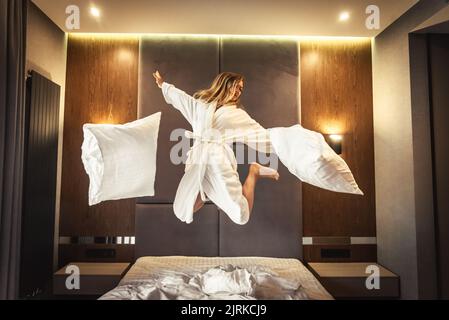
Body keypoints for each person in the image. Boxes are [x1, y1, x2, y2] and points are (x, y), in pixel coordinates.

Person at [152, 71, 280, 225]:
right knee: (183, 209)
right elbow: (182, 99)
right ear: (226, 83)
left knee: (241, 215)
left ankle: (254, 171)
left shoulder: (237, 115)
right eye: (237, 86)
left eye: (241, 89)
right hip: (198, 158)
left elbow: (261, 134)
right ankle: (213, 191)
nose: (239, 91)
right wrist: (163, 85)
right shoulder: (201, 105)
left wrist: (285, 144)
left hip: (218, 159)